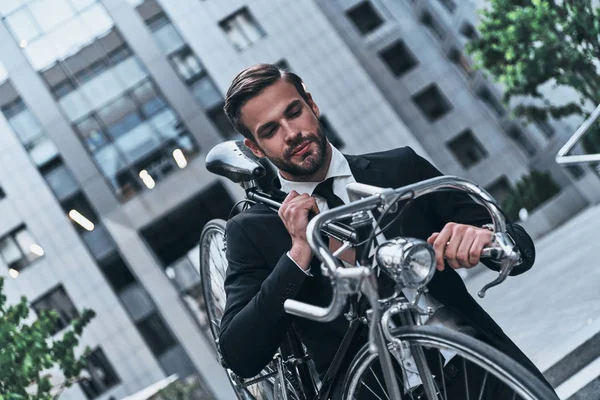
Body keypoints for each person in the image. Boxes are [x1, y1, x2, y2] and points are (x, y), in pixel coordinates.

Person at [218, 63, 555, 399]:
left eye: (294, 112)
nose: (291, 133)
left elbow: (519, 249)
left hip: (478, 371)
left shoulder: (399, 168)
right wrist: (297, 255)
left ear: (312, 104)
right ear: (256, 149)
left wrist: (487, 238)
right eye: (271, 130)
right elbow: (241, 356)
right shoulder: (252, 230)